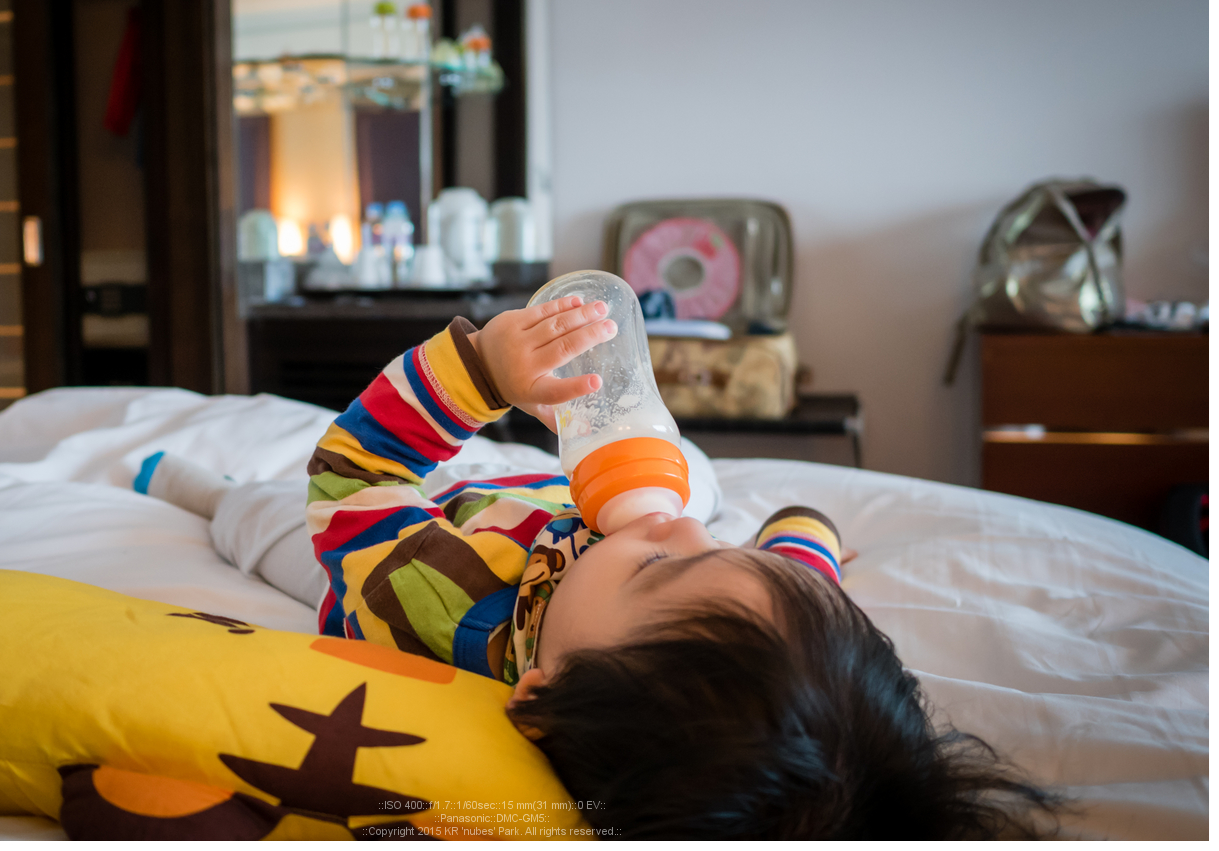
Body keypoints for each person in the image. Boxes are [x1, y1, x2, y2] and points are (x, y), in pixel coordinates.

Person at [142, 296, 1062, 839]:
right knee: (692, 486)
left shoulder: (429, 602)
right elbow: (797, 572)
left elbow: (354, 474)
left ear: (540, 694)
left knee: (270, 522)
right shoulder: (758, 623)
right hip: (554, 508)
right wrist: (806, 528)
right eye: (729, 556)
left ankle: (191, 484)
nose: (686, 532)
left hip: (441, 534)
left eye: (658, 568)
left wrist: (479, 375)